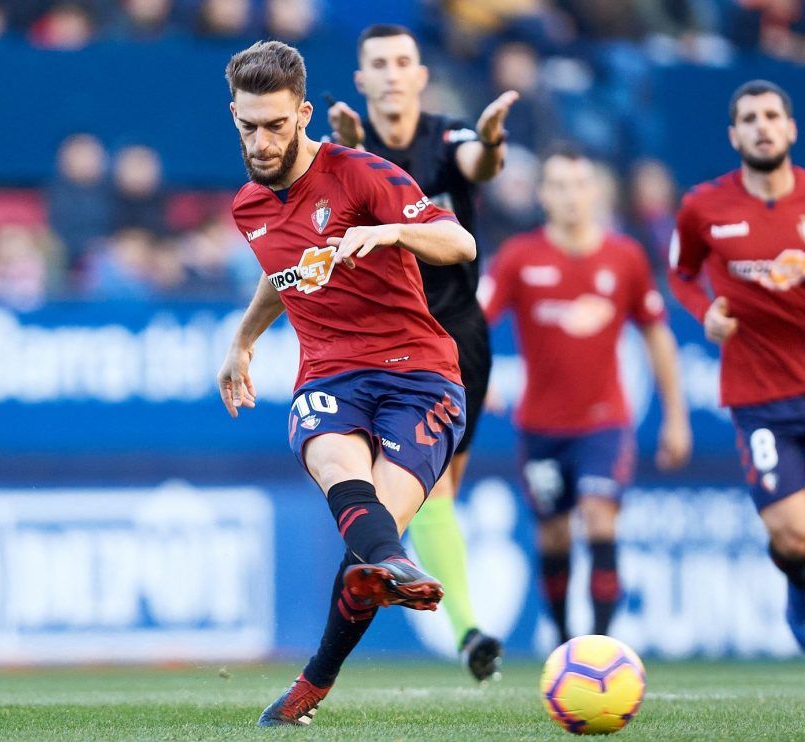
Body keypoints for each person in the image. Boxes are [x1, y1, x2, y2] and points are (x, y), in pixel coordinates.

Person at [218, 40, 476, 726]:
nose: (263, 140)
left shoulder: (363, 174)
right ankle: (395, 564)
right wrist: (242, 341)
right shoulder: (247, 207)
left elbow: (461, 244)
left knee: (369, 544)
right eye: (249, 126)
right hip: (330, 373)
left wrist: (390, 233)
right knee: (339, 468)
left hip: (420, 375)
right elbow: (284, 277)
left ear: (302, 114)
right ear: (234, 117)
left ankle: (314, 682)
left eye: (276, 125)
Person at [668, 80, 805, 686]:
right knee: (793, 535)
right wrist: (705, 313)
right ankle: (797, 585)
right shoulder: (703, 206)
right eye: (749, 118)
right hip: (758, 395)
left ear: (791, 129)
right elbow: (682, 274)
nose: (762, 126)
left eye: (772, 116)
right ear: (733, 135)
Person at [326, 23, 517, 680]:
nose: (390, 72)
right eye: (377, 62)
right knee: (419, 488)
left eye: (402, 61)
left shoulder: (450, 136)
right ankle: (464, 629)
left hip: (457, 333)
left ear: (419, 75)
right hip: (382, 340)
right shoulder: (345, 152)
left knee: (441, 488)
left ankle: (439, 615)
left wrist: (492, 141)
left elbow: (480, 166)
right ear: (361, 79)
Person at [483, 147, 691, 643]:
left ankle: (597, 648)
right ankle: (560, 641)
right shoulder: (519, 258)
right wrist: (476, 373)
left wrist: (676, 418)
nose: (570, 196)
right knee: (553, 534)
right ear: (542, 195)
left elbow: (658, 336)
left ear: (595, 193)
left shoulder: (625, 258)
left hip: (604, 422)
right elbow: (472, 321)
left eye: (579, 185)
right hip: (540, 426)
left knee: (600, 517)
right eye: (558, 186)